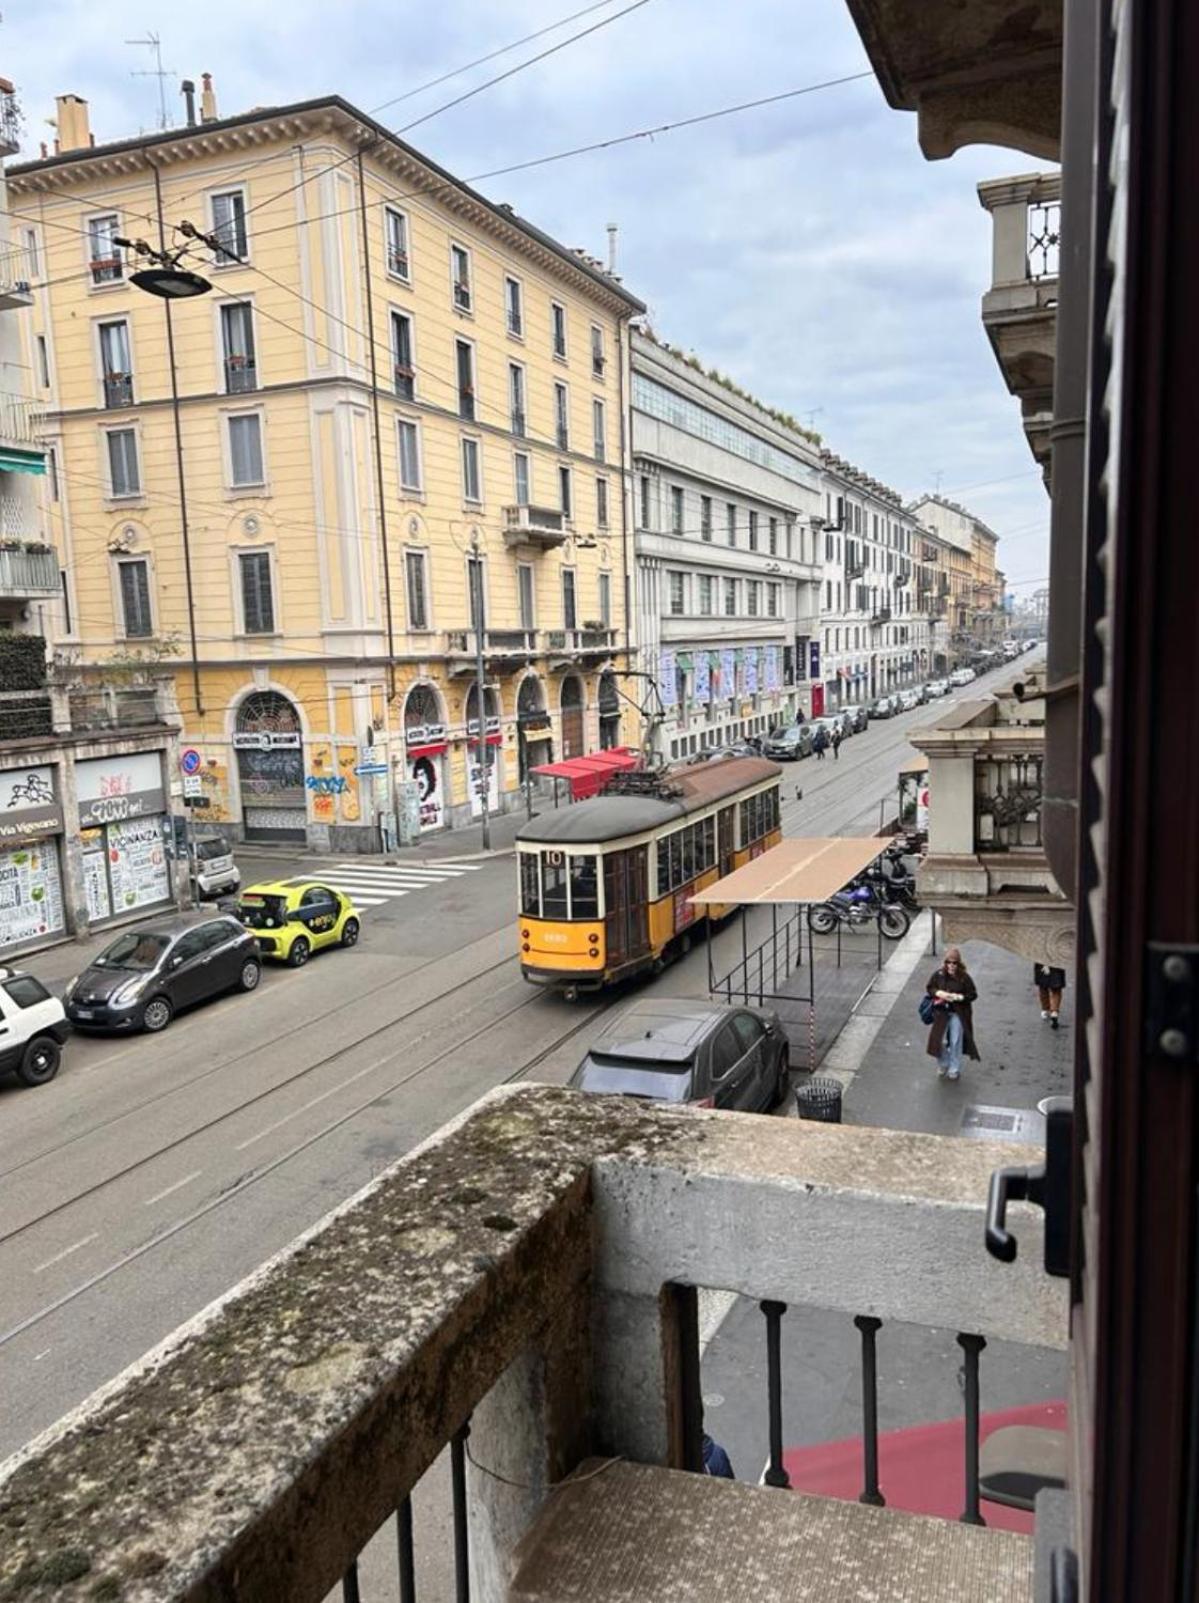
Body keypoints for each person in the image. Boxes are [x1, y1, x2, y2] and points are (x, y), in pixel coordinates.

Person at [925, 947, 980, 1081]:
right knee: (939, 1041)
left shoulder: (964, 978)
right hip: (942, 1012)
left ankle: (954, 1068)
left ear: (958, 964)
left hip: (957, 1013)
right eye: (948, 962)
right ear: (945, 963)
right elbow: (930, 987)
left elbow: (973, 994)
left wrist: (959, 997)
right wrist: (939, 993)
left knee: (955, 1041)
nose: (951, 965)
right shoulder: (938, 975)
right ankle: (944, 1062)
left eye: (954, 963)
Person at [1033, 962, 1067, 1030]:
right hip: (1056, 963)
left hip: (1041, 963)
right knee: (1056, 990)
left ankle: (1045, 1010)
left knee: (1043, 987)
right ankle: (1054, 1011)